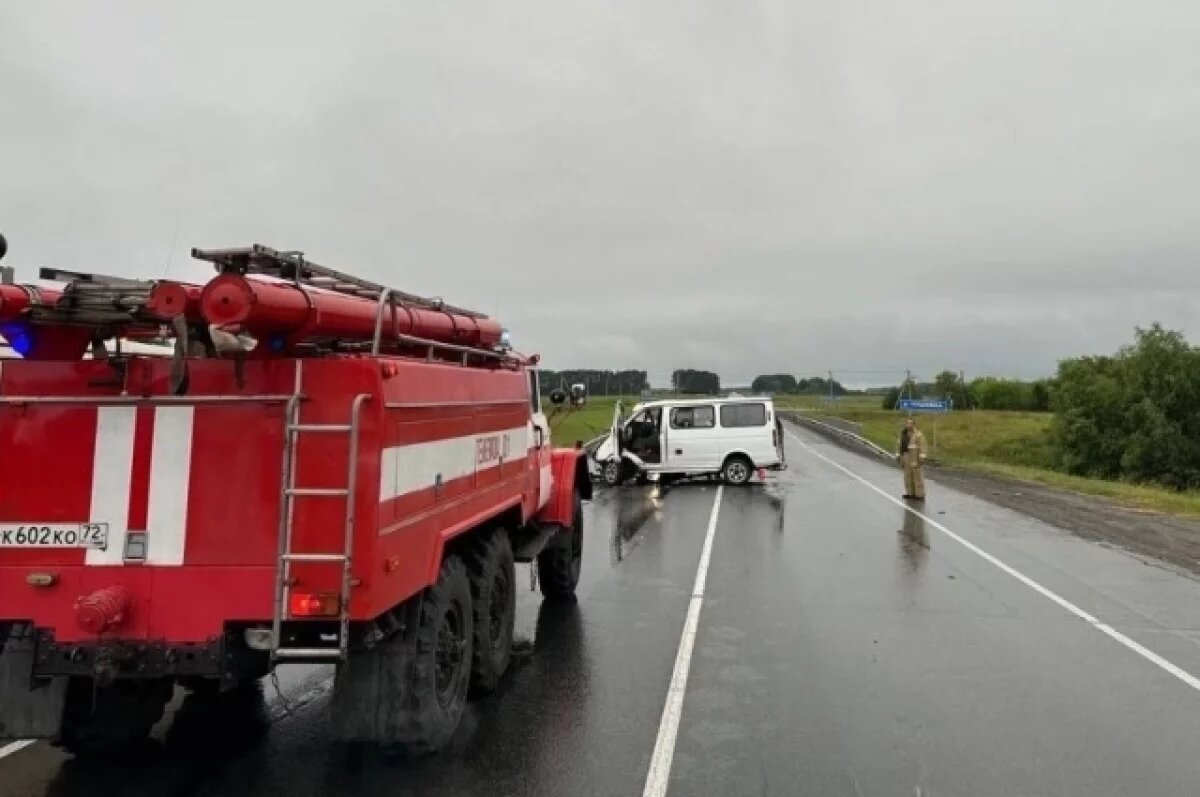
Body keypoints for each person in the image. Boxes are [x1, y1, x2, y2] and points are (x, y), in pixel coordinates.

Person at [897, 417, 928, 500]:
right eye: (907, 423)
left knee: (917, 476)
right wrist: (899, 456)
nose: (908, 425)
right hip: (905, 456)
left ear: (913, 424)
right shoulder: (903, 434)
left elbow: (923, 446)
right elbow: (899, 446)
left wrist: (922, 457)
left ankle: (919, 494)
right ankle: (910, 493)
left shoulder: (918, 434)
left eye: (910, 423)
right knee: (907, 476)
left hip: (915, 457)